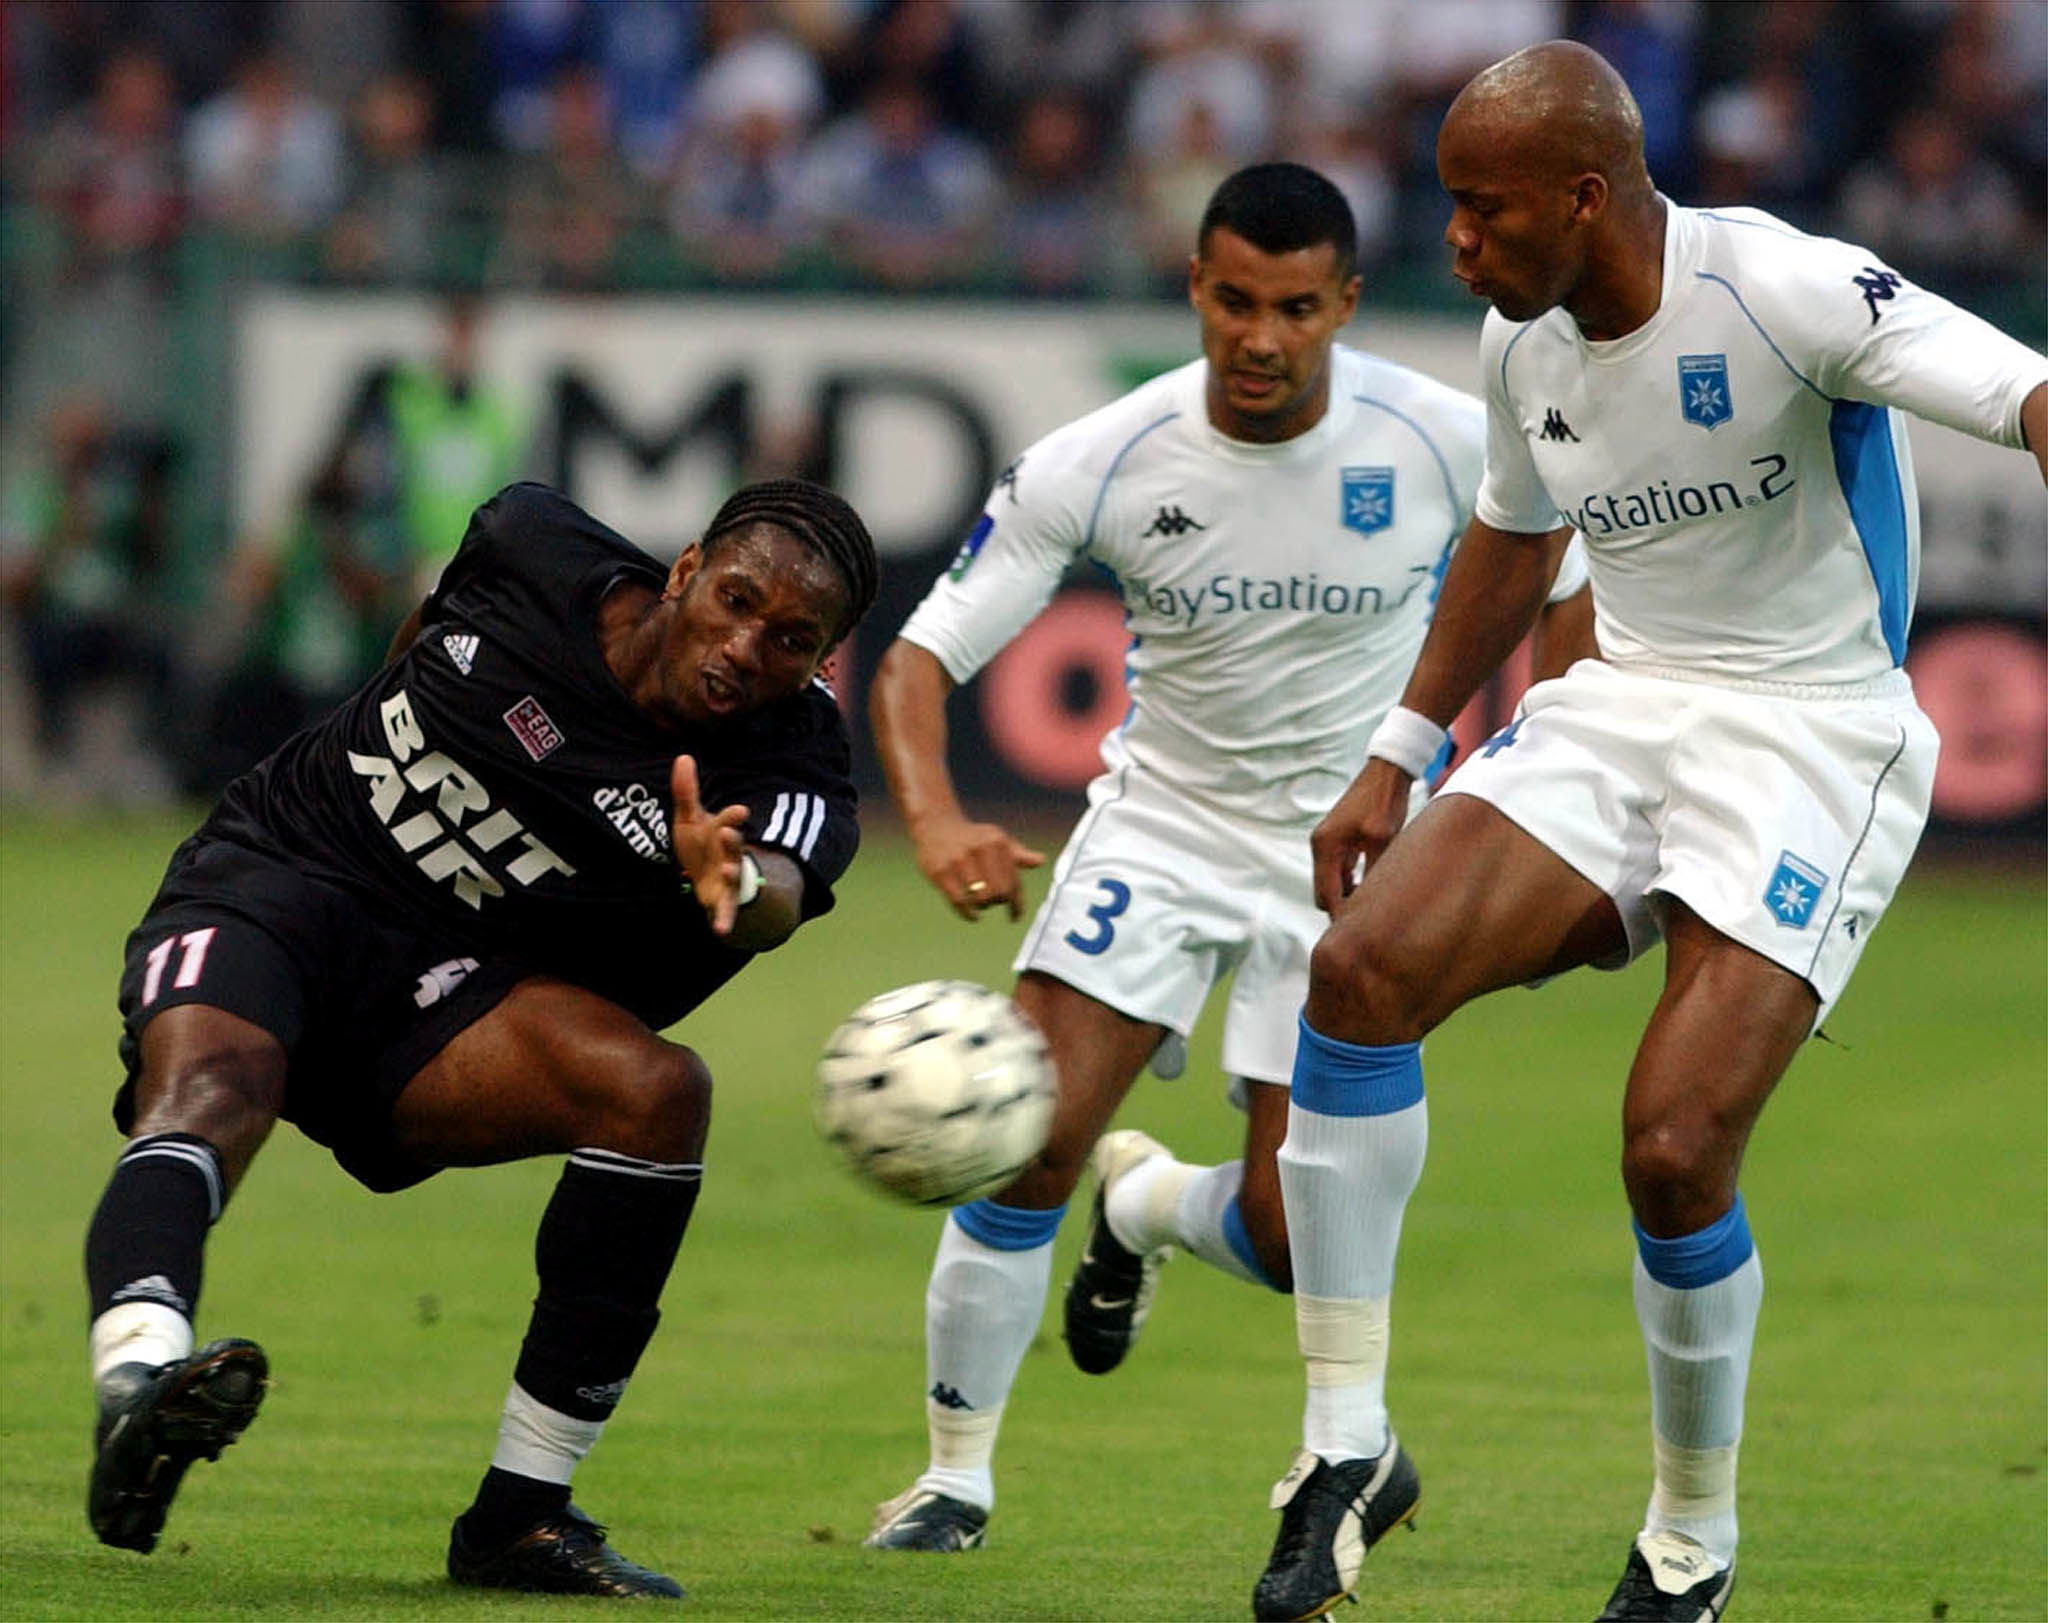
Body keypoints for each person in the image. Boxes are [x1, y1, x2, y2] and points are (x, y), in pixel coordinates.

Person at [1253, 40, 2048, 1623]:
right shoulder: (1520, 345)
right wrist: (1397, 751)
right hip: (1624, 700)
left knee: (1675, 1151)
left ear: (1584, 194)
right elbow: (1509, 532)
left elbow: (2028, 395)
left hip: (1817, 733)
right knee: (1355, 971)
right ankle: (1343, 1443)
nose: (1460, 242)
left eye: (1483, 211)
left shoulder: (1784, 288)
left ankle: (1692, 1531)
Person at [860, 161, 1593, 1554]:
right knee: (1018, 1141)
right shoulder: (1107, 454)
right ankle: (954, 1477)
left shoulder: (1441, 437)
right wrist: (942, 816)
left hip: (1346, 858)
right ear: (1196, 288)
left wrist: (1544, 771)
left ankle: (1139, 1207)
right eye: (1237, 302)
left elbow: (1566, 583)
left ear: (1346, 305)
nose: (1263, 337)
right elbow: (919, 656)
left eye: (1298, 308)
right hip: (1162, 827)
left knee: (1281, 1233)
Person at [82, 477, 879, 1598]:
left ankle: (520, 1517)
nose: (747, 647)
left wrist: (735, 876)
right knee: (214, 1086)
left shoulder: (788, 769)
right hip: (281, 872)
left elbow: (781, 886)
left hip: (447, 987)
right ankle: (141, 1382)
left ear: (821, 665)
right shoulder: (533, 543)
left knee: (654, 1095)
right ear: (687, 568)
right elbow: (423, 637)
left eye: (791, 640)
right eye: (736, 600)